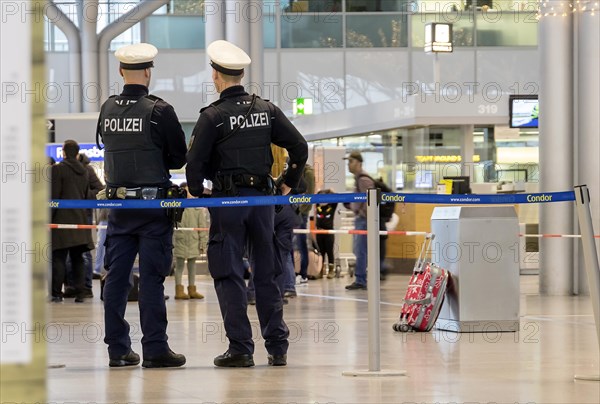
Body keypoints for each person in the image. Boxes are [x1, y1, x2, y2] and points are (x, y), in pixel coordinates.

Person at [186, 40, 308, 368]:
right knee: (266, 273)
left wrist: (200, 193)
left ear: (216, 76)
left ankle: (240, 348)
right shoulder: (266, 110)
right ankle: (277, 347)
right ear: (240, 74)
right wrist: (287, 184)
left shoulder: (212, 116)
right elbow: (299, 147)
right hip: (263, 200)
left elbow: (193, 166)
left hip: (228, 201)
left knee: (227, 272)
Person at [96, 43, 188, 368]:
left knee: (116, 278)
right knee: (151, 279)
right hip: (152, 209)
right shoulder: (159, 110)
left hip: (119, 209)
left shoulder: (107, 108)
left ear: (121, 71)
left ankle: (118, 350)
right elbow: (179, 158)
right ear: (149, 72)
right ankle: (155, 349)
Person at [50, 140, 95, 303]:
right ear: (77, 153)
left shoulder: (57, 169)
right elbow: (86, 194)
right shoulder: (84, 171)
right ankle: (81, 293)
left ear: (63, 152)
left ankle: (56, 293)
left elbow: (54, 196)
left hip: (62, 220)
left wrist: (49, 219)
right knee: (78, 258)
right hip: (80, 219)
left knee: (59, 257)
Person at [343, 151, 387, 290]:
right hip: (362, 218)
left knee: (361, 250)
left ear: (359, 163)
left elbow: (371, 201)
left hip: (364, 220)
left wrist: (363, 214)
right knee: (360, 250)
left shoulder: (363, 179)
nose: (348, 165)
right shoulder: (359, 179)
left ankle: (361, 279)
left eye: (351, 161)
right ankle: (362, 277)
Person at [173, 182, 207, 300]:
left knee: (193, 267)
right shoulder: (177, 208)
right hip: (180, 241)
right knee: (179, 266)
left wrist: (203, 243)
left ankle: (192, 289)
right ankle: (179, 290)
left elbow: (202, 228)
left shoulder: (197, 209)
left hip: (193, 241)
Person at [292, 163, 314, 285]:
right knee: (291, 244)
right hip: (293, 211)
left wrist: (301, 212)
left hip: (301, 212)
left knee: (301, 244)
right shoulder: (295, 170)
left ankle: (303, 273)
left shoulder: (308, 173)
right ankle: (293, 274)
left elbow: (310, 195)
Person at [315, 188, 338, 279]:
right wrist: (319, 192)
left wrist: (330, 191)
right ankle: (321, 270)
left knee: (329, 251)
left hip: (329, 231)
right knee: (321, 252)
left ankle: (331, 270)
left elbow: (336, 197)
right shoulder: (318, 206)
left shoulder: (331, 207)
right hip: (319, 232)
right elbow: (316, 196)